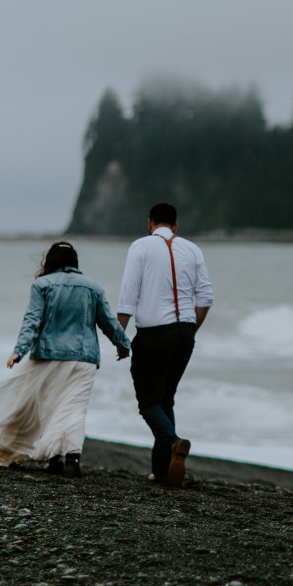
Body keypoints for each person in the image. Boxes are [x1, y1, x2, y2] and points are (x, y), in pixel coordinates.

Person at [0, 241, 130, 478]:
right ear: (74, 263)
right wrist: (123, 345)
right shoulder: (93, 287)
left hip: (49, 356)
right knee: (74, 408)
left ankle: (55, 458)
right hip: (84, 359)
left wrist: (19, 351)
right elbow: (108, 321)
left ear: (51, 262)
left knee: (49, 408)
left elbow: (32, 321)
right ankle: (72, 458)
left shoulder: (42, 285)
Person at [117, 202, 213, 486]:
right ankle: (162, 471)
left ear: (150, 224)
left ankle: (173, 443)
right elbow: (205, 299)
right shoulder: (193, 249)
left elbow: (127, 298)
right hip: (185, 332)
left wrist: (120, 338)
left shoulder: (140, 247)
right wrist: (189, 330)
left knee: (148, 401)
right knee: (165, 398)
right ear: (175, 226)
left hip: (154, 334)